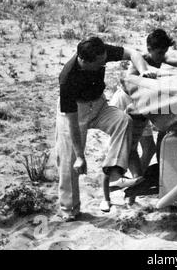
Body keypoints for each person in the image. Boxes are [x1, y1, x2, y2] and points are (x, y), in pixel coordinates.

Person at [55, 37, 148, 220]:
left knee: (123, 121)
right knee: (69, 161)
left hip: (98, 105)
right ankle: (69, 210)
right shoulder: (67, 79)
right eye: (99, 64)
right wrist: (81, 156)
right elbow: (73, 122)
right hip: (76, 112)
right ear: (84, 61)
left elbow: (132, 53)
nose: (102, 64)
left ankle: (114, 174)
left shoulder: (100, 50)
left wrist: (144, 71)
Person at [110, 28, 177, 181]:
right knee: (125, 147)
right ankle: (115, 183)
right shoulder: (141, 60)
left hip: (143, 106)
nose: (162, 57)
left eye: (164, 53)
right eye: (159, 53)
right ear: (149, 49)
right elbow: (129, 78)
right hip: (126, 101)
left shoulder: (159, 57)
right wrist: (148, 73)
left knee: (149, 148)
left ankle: (137, 182)